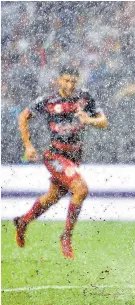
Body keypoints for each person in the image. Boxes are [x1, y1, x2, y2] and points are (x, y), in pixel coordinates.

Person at [13, 67, 108, 259]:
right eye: (66, 81)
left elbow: (104, 121)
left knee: (52, 197)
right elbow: (23, 116)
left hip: (74, 157)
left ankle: (23, 221)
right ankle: (66, 236)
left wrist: (88, 120)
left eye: (73, 81)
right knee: (81, 189)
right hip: (55, 155)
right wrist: (28, 146)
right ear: (58, 80)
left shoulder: (84, 98)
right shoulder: (48, 101)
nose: (70, 85)